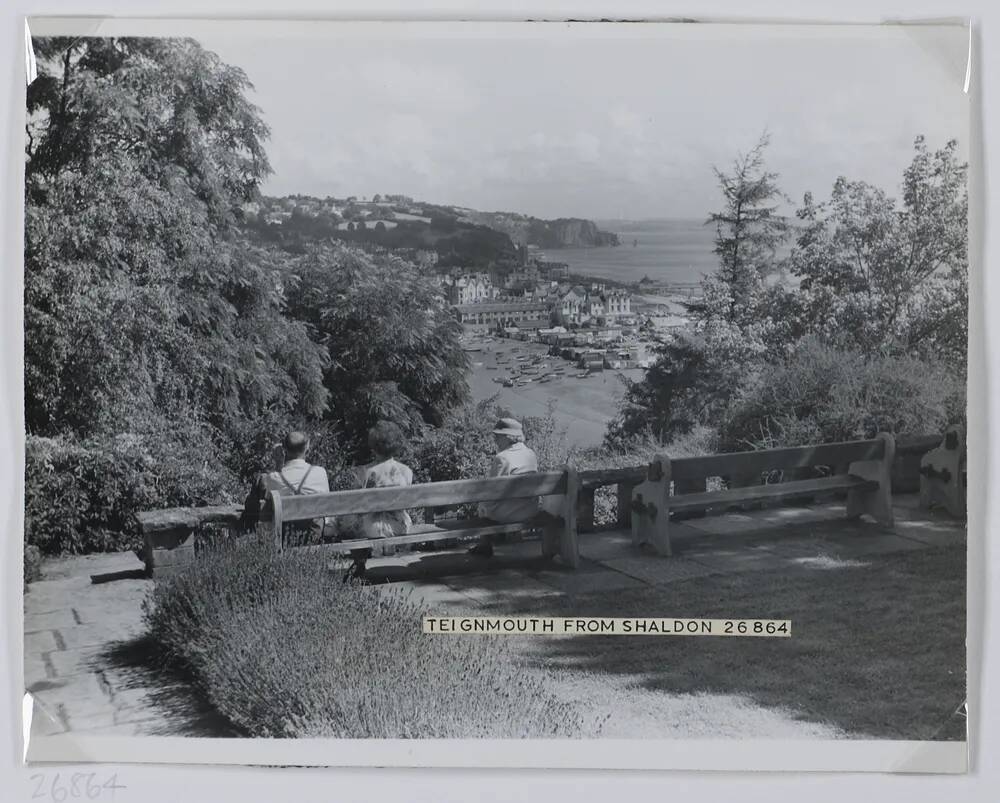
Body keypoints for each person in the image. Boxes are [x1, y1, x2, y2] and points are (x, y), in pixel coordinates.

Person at [344, 421, 415, 581]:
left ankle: (359, 562)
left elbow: (354, 503)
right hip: (401, 525)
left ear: (373, 446)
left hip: (371, 527)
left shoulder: (365, 472)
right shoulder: (406, 471)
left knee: (348, 525)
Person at [469, 417, 545, 558]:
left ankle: (484, 545)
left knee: (483, 504)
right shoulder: (530, 454)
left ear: (508, 437)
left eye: (497, 436)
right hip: (529, 510)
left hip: (508, 515)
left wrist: (483, 506)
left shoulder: (502, 458)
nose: (495, 440)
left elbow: (492, 492)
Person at [240, 431, 330, 544]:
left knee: (262, 480)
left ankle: (242, 529)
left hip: (284, 537)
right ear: (307, 447)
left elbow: (268, 505)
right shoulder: (320, 472)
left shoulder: (273, 478)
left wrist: (279, 463)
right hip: (312, 537)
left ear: (284, 449)